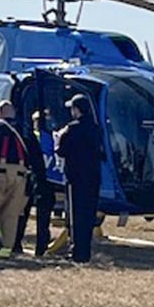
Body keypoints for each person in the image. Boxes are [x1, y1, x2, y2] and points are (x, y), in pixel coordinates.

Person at [55, 94, 102, 263]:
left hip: (75, 177)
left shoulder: (72, 129)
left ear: (76, 110)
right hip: (93, 177)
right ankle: (86, 251)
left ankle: (76, 252)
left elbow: (61, 151)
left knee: (75, 215)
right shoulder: (96, 128)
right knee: (88, 214)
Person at [0, 100, 31, 259]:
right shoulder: (25, 130)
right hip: (20, 176)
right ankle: (5, 252)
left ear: (0, 113)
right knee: (11, 214)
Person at [13, 110, 55, 256]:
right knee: (40, 217)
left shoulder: (28, 137)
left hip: (34, 179)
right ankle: (40, 248)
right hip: (43, 179)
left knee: (23, 214)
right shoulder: (50, 137)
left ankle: (18, 244)